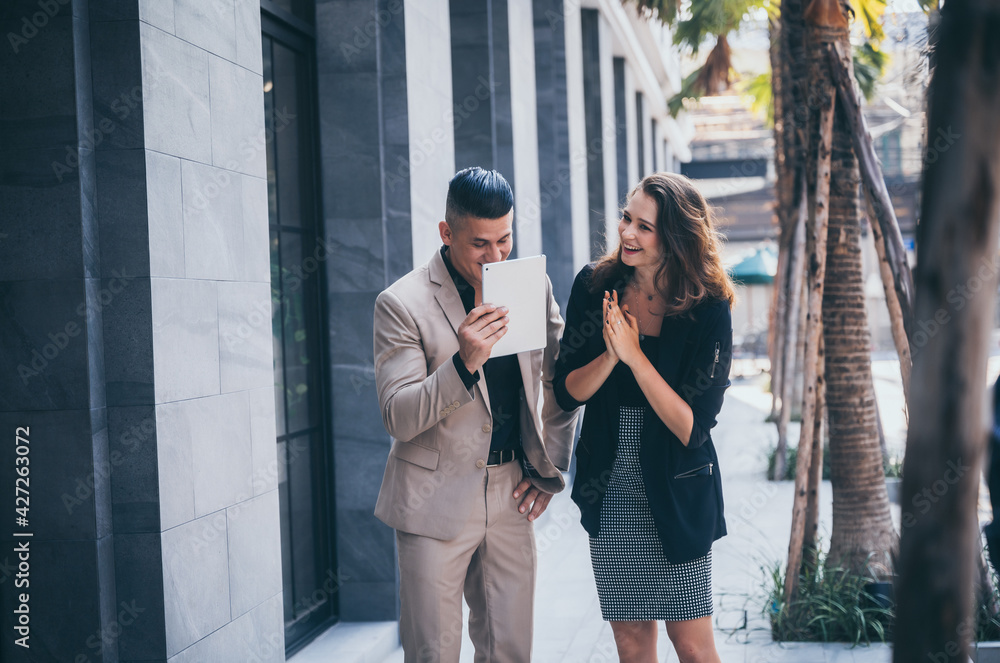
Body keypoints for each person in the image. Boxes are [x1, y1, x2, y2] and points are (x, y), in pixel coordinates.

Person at [373, 167, 579, 663]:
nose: (496, 256)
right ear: (447, 233)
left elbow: (563, 379)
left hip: (511, 494)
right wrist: (463, 363)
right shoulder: (401, 303)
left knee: (511, 652)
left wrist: (549, 467)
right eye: (480, 244)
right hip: (432, 503)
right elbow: (397, 416)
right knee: (433, 656)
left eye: (505, 239)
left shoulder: (531, 285)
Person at [553, 172, 735, 663]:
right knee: (631, 642)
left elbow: (692, 427)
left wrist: (634, 356)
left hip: (678, 489)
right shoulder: (595, 287)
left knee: (694, 649)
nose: (627, 233)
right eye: (626, 219)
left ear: (675, 237)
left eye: (644, 227)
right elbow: (566, 392)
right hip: (610, 487)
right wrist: (611, 356)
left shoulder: (709, 307)